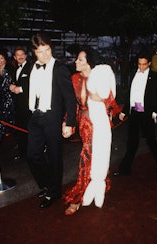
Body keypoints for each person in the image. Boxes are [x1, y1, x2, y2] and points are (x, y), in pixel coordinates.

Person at [63, 48, 117, 215]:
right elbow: (71, 104)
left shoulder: (101, 76)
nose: (76, 62)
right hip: (84, 123)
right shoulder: (74, 79)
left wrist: (102, 99)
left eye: (80, 60)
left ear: (89, 62)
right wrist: (68, 122)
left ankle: (79, 196)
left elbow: (111, 100)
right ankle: (95, 185)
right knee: (91, 155)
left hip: (99, 122)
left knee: (88, 157)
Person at [27, 33, 77, 208]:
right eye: (40, 52)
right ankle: (48, 184)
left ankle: (54, 192)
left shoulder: (60, 68)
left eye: (47, 50)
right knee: (32, 155)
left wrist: (69, 122)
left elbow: (70, 99)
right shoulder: (31, 68)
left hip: (52, 117)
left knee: (54, 156)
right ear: (34, 52)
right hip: (35, 116)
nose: (45, 55)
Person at [113, 50, 157, 177]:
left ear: (149, 63)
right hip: (134, 112)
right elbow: (130, 94)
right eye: (139, 64)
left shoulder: (155, 76)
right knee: (131, 142)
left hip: (147, 113)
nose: (141, 67)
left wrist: (155, 112)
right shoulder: (133, 73)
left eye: (144, 64)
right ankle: (125, 169)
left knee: (151, 140)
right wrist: (124, 111)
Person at [9, 47, 32, 160]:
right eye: (18, 55)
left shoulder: (31, 67)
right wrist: (12, 86)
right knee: (20, 129)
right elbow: (15, 82)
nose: (20, 56)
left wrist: (21, 89)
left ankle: (32, 153)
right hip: (19, 106)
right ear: (14, 57)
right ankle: (23, 153)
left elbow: (35, 84)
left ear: (26, 55)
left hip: (29, 105)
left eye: (22, 54)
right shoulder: (15, 69)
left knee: (29, 129)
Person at [0, 50, 16, 142]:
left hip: (11, 100)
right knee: (0, 122)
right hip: (0, 101)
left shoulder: (11, 70)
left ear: (5, 59)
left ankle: (18, 142)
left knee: (12, 122)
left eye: (1, 58)